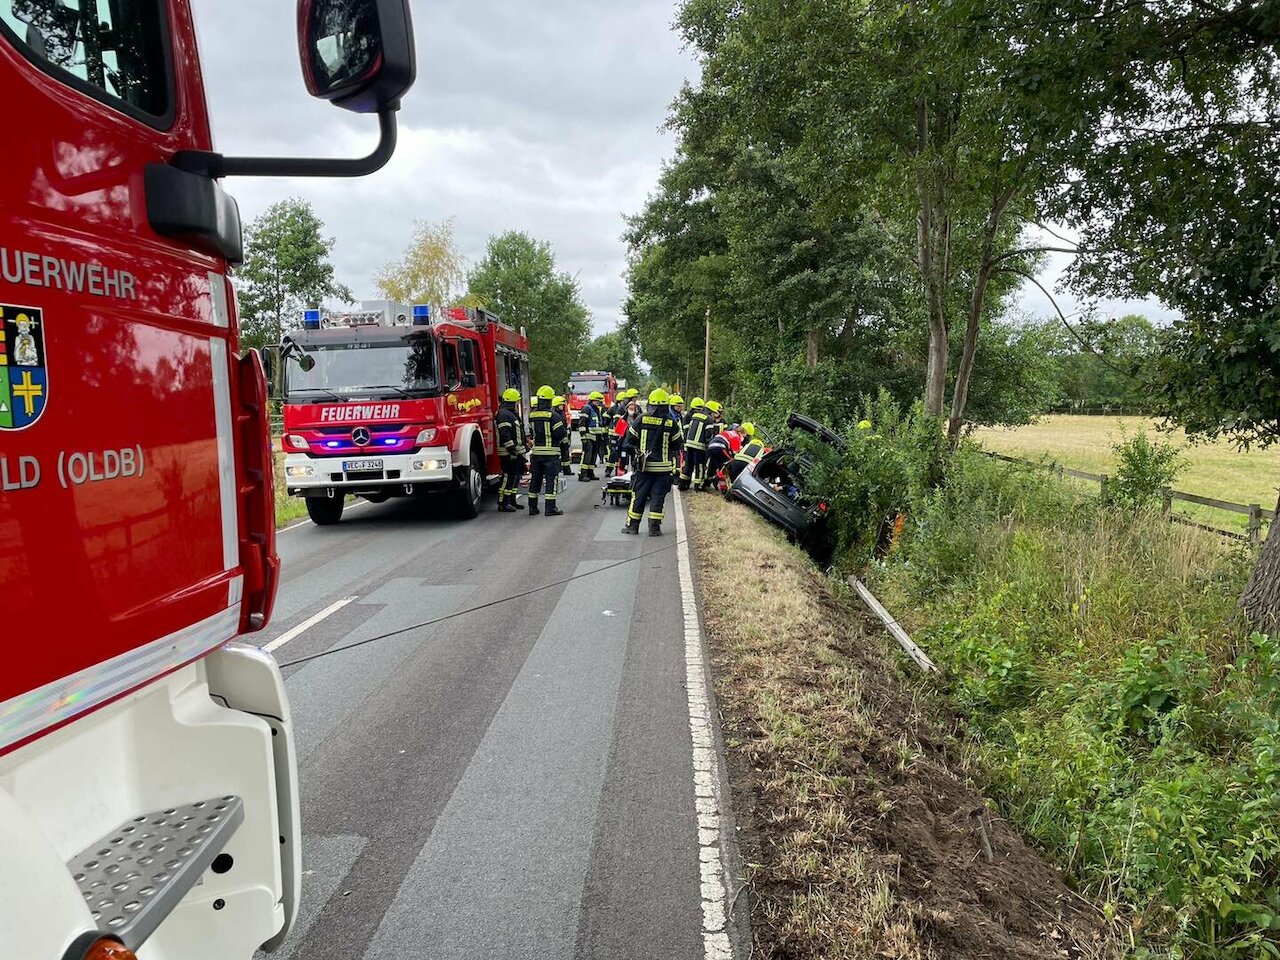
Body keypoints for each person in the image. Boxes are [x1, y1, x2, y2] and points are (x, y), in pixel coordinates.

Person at [622, 388, 683, 536]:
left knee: (639, 495)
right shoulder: (671, 423)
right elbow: (677, 445)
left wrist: (638, 453)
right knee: (658, 497)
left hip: (644, 468)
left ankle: (633, 526)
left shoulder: (641, 419)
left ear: (650, 404)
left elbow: (629, 442)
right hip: (663, 469)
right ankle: (654, 528)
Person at [527, 385, 565, 516]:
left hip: (536, 453)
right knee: (551, 480)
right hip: (551, 454)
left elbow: (531, 433)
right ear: (550, 401)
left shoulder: (532, 415)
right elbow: (561, 433)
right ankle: (550, 508)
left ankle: (532, 507)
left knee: (535, 480)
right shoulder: (554, 416)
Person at [495, 388, 526, 513]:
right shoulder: (504, 414)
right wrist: (512, 450)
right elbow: (505, 434)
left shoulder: (510, 413)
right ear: (513, 402)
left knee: (515, 477)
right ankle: (503, 502)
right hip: (507, 452)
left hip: (514, 451)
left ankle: (512, 500)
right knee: (507, 477)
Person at [680, 397, 712, 491]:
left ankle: (682, 484)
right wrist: (708, 444)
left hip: (689, 444)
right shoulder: (708, 419)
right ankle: (698, 486)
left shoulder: (694, 416)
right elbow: (708, 435)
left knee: (688, 464)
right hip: (699, 446)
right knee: (699, 466)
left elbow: (687, 430)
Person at [726, 421, 765, 488]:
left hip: (736, 460)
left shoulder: (746, 444)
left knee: (730, 474)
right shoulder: (761, 450)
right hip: (747, 465)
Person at [578, 391, 604, 482]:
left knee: (593, 456)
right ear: (592, 400)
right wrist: (583, 436)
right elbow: (582, 423)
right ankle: (582, 474)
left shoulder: (596, 409)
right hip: (588, 436)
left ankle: (590, 472)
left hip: (596, 436)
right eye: (597, 401)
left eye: (599, 401)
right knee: (587, 456)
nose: (598, 402)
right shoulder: (586, 409)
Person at [554, 395, 572, 475]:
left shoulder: (562, 413)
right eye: (561, 405)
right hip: (557, 437)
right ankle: (558, 469)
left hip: (564, 436)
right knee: (557, 454)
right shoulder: (554, 414)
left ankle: (566, 470)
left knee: (565, 453)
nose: (562, 406)